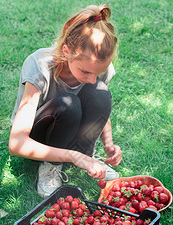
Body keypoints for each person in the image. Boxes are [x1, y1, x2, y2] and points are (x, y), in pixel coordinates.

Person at [9, 4, 122, 198]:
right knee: (68, 104)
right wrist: (72, 156)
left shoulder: (96, 67)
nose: (92, 79)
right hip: (41, 137)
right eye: (85, 71)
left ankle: (87, 156)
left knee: (101, 92)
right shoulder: (39, 65)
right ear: (66, 51)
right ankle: (51, 166)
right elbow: (16, 143)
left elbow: (100, 106)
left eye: (98, 72)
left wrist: (108, 143)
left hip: (73, 131)